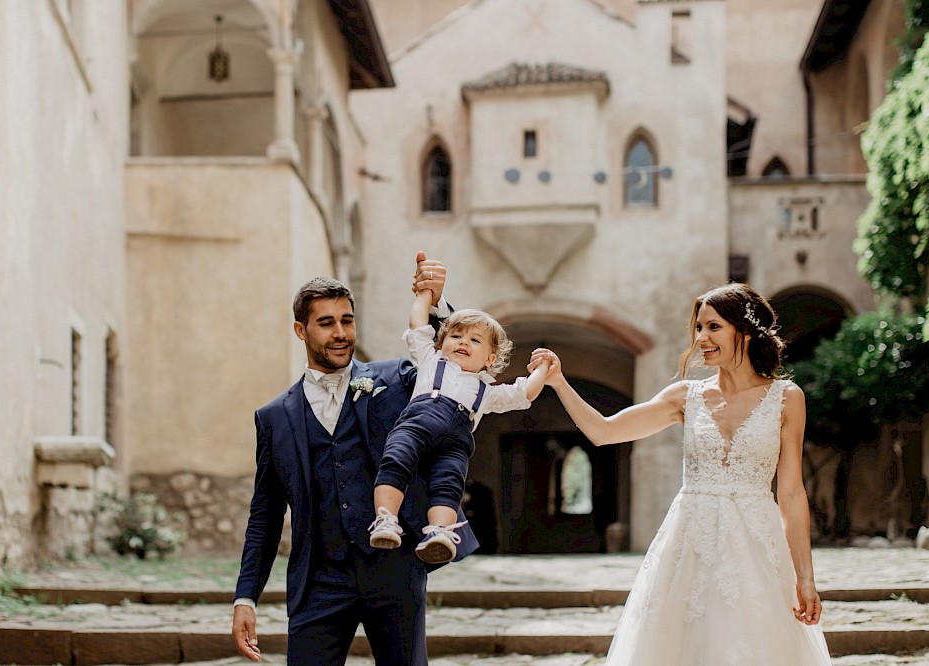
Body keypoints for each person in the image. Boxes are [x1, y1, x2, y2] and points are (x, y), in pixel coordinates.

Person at [529, 283, 832, 665]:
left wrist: (805, 577)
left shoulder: (787, 398)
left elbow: (791, 493)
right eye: (698, 329)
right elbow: (604, 431)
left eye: (713, 327)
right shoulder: (684, 396)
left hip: (757, 547)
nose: (701, 338)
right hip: (690, 545)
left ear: (746, 330)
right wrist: (559, 382)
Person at [231, 252, 478, 666]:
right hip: (318, 583)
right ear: (300, 330)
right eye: (326, 323)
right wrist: (245, 597)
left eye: (347, 320)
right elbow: (266, 514)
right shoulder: (274, 418)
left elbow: (445, 361)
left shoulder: (395, 380)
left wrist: (432, 302)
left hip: (394, 571)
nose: (341, 332)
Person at [367, 289, 549, 564]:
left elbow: (523, 393)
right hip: (416, 426)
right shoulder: (430, 360)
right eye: (455, 336)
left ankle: (439, 533)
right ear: (441, 343)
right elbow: (418, 323)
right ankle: (386, 520)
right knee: (395, 462)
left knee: (449, 485)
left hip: (454, 446)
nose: (463, 342)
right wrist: (425, 295)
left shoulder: (486, 391)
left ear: (490, 358)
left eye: (475, 340)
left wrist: (543, 368)